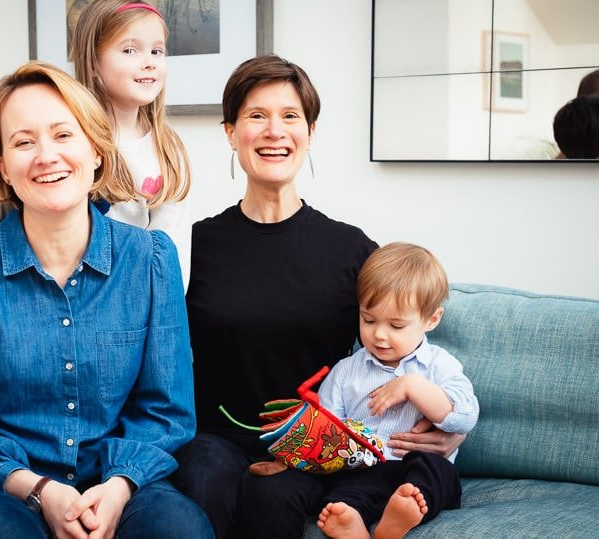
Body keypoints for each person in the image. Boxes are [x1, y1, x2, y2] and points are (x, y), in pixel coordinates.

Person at [0, 60, 213, 539]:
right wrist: (39, 490)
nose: (46, 155)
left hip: (116, 479)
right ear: (3, 167)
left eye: (64, 135)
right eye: (24, 142)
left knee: (180, 530)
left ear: (95, 150)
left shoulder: (150, 261)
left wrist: (119, 487)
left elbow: (167, 410)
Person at [173, 54, 466, 539]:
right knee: (202, 478)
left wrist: (448, 429)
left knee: (271, 501)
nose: (274, 131)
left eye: (290, 116)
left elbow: (409, 346)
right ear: (230, 132)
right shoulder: (193, 246)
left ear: (310, 132)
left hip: (319, 448)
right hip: (217, 438)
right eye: (256, 116)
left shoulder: (352, 251)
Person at [0, 0, 192, 299]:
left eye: (157, 51)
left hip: (127, 296)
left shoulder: (167, 149)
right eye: (130, 50)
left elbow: (173, 243)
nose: (149, 62)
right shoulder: (68, 139)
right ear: (93, 63)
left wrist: (164, 300)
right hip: (60, 287)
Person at [315, 242, 479, 539]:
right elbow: (325, 427)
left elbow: (464, 416)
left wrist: (412, 386)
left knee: (436, 471)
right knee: (343, 495)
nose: (379, 334)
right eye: (368, 320)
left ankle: (400, 514)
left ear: (431, 320)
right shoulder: (346, 371)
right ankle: (352, 522)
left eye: (396, 325)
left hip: (418, 468)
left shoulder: (439, 365)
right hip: (364, 468)